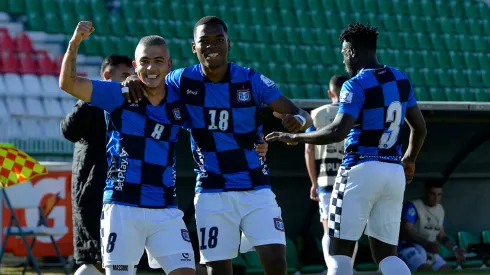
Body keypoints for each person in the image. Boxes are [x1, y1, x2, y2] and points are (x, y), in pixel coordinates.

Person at [122, 16, 313, 275]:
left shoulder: (250, 80)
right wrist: (132, 80)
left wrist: (296, 121)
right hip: (212, 190)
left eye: (218, 40)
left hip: (255, 186)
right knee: (218, 270)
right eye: (205, 41)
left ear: (228, 44)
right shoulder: (181, 80)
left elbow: (301, 114)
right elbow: (151, 81)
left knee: (276, 261)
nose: (212, 46)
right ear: (194, 47)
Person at [266, 22, 427, 275]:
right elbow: (420, 128)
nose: (343, 61)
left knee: (338, 252)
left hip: (360, 168)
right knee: (387, 255)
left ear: (351, 52)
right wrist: (409, 159)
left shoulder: (355, 84)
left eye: (343, 54)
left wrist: (297, 139)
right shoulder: (400, 79)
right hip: (393, 171)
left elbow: (338, 130)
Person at [59, 21, 196, 275]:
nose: (151, 67)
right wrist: (75, 42)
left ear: (169, 65)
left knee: (186, 272)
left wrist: (257, 140)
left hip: (165, 209)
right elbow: (68, 83)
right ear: (135, 66)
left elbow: (211, 127)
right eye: (144, 61)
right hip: (122, 208)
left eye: (158, 61)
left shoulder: (181, 102)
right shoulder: (118, 95)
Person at [61, 55, 134, 275]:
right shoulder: (92, 103)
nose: (128, 81)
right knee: (96, 260)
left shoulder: (129, 105)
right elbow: (68, 131)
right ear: (106, 76)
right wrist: (91, 97)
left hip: (120, 194)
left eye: (131, 76)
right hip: (92, 192)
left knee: (114, 260)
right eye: (124, 76)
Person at [304, 75, 359, 268]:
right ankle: (347, 270)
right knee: (350, 230)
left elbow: (309, 148)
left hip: (326, 180)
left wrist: (313, 183)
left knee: (329, 229)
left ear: (330, 93)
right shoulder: (357, 113)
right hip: (351, 179)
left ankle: (333, 270)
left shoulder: (317, 114)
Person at [398, 181, 465, 271]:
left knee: (447, 270)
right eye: (432, 194)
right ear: (426, 193)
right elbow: (406, 232)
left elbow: (441, 236)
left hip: (429, 250)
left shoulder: (440, 210)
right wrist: (426, 244)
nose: (436, 198)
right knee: (426, 270)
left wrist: (455, 248)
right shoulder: (413, 206)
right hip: (410, 248)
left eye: (439, 195)